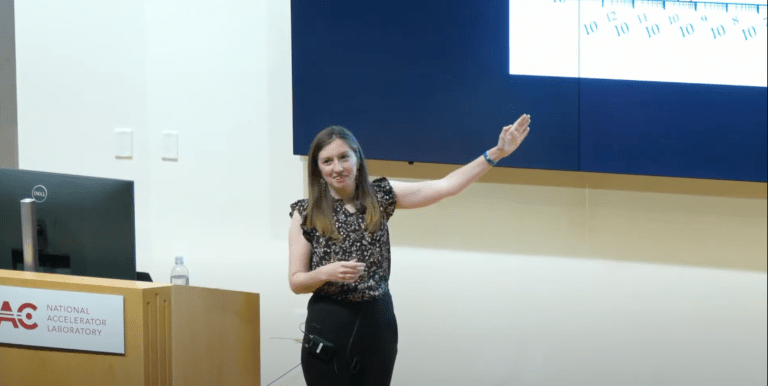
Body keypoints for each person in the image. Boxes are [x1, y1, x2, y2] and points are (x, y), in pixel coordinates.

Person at [288, 114, 531, 386]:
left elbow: (445, 186)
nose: (338, 167)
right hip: (329, 322)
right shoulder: (305, 212)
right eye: (327, 161)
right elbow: (296, 282)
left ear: (357, 158)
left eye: (344, 157)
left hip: (376, 321)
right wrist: (325, 272)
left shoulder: (380, 195)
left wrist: (496, 153)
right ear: (318, 168)